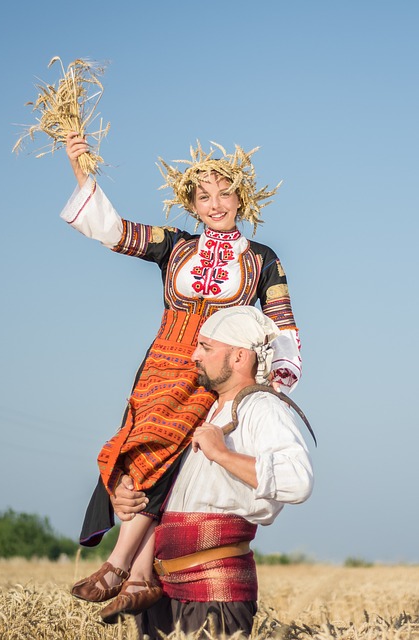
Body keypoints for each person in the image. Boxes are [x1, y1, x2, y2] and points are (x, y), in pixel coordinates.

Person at [62, 134, 303, 609]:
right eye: (203, 197)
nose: (215, 205)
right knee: (145, 454)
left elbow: (283, 324)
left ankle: (121, 568)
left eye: (224, 193)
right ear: (191, 204)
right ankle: (139, 575)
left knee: (175, 457)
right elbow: (112, 230)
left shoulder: (262, 259)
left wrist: (275, 383)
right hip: (159, 366)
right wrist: (79, 169)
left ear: (241, 197)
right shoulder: (174, 246)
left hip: (211, 372)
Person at [102, 306, 313, 636]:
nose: (194, 355)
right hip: (161, 592)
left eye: (207, 347)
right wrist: (127, 495)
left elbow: (297, 480)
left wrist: (222, 453)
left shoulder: (263, 407)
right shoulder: (201, 411)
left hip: (216, 594)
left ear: (239, 357)